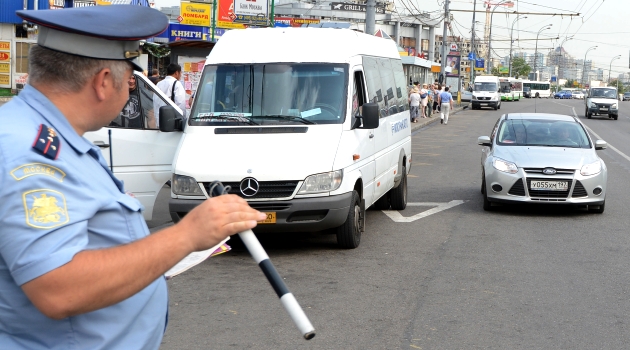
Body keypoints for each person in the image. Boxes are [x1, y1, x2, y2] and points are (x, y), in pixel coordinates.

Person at [0, 6, 266, 349]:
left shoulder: (50, 134)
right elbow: (58, 287)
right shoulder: (28, 151)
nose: (129, 91)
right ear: (103, 82)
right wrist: (186, 235)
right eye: (129, 81)